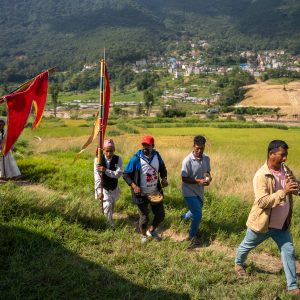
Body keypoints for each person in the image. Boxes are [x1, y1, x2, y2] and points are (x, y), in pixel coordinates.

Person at [235, 140, 300, 296]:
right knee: (246, 245)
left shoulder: (285, 170)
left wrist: (296, 188)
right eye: (282, 155)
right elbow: (262, 202)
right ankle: (238, 263)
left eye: (286, 155)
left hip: (282, 225)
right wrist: (284, 192)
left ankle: (292, 286)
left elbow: (294, 187)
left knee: (288, 251)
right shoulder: (261, 175)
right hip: (262, 224)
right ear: (271, 154)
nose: (285, 159)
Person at [123, 135, 168, 243]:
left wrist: (164, 178)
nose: (145, 147)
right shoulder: (136, 159)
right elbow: (125, 174)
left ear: (153, 146)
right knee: (144, 218)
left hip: (155, 192)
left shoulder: (157, 156)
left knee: (160, 215)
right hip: (141, 193)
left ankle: (151, 231)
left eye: (147, 145)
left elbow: (162, 168)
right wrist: (134, 186)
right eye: (143, 145)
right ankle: (143, 235)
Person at [181, 135, 212, 249]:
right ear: (193, 146)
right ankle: (191, 237)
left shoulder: (206, 158)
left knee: (196, 209)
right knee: (198, 213)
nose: (199, 151)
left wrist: (208, 179)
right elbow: (184, 178)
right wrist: (199, 181)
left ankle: (183, 217)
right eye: (197, 148)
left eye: (202, 148)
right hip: (188, 191)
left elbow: (207, 172)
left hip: (199, 191)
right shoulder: (187, 160)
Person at [94, 139, 123, 229]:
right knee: (107, 204)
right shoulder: (98, 160)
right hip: (104, 187)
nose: (109, 153)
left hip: (114, 187)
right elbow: (97, 176)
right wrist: (99, 191)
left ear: (114, 150)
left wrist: (106, 170)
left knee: (112, 205)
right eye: (107, 151)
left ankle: (105, 217)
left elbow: (118, 174)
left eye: (111, 151)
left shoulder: (118, 159)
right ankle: (110, 226)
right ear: (103, 150)